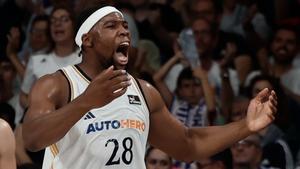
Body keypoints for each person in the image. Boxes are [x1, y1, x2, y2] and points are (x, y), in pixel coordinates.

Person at [23, 5, 277, 169]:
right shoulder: (57, 84)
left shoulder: (144, 91)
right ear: (87, 40)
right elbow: (32, 139)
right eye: (111, 26)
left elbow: (188, 144)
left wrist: (245, 126)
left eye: (124, 26)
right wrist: (86, 101)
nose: (124, 32)